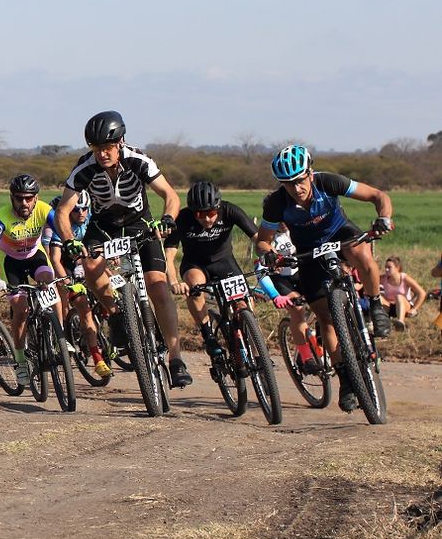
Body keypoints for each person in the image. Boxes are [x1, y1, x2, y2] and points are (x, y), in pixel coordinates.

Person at [54, 111, 191, 388]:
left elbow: (171, 196)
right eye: (96, 149)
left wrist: (166, 220)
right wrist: (69, 239)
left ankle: (176, 360)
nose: (102, 154)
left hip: (140, 225)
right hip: (103, 227)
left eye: (107, 148)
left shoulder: (138, 160)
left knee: (158, 285)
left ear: (120, 142)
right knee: (89, 266)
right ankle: (116, 314)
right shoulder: (84, 167)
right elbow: (63, 211)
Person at [253, 144, 394, 412]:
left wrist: (384, 218)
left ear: (310, 172)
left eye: (299, 180)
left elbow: (378, 195)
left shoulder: (329, 182)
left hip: (340, 234)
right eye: (287, 184)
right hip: (308, 251)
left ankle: (376, 306)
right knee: (326, 318)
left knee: (362, 254)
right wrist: (268, 253)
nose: (296, 188)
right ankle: (345, 379)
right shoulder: (276, 203)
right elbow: (263, 241)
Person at [165, 181, 260, 373]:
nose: (207, 219)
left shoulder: (230, 211)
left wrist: (269, 255)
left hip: (224, 262)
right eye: (200, 214)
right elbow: (169, 254)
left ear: (218, 208)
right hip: (195, 264)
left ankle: (259, 353)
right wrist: (173, 281)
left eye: (211, 213)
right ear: (193, 212)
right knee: (194, 285)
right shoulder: (183, 218)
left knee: (245, 303)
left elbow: (257, 237)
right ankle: (208, 335)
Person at [0, 174, 60, 386]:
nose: (23, 203)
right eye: (18, 198)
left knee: (47, 281)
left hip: (36, 256)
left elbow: (64, 232)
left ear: (36, 198)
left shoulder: (44, 210)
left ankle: (52, 333)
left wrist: (77, 256)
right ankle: (21, 360)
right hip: (11, 263)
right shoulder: (2, 218)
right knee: (21, 309)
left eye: (28, 198)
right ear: (11, 198)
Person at [45, 194, 110, 379]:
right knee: (84, 308)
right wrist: (67, 283)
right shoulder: (61, 226)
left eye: (84, 209)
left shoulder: (91, 220)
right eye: (76, 210)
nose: (81, 213)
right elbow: (55, 260)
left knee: (108, 288)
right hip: (65, 266)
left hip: (83, 262)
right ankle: (97, 359)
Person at [378, 257, 424, 329]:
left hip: (404, 306)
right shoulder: (383, 278)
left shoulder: (404, 278)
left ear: (397, 268)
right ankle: (382, 319)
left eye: (389, 267)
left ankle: (400, 321)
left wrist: (414, 309)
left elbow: (422, 293)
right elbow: (371, 282)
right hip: (389, 306)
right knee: (379, 297)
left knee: (398, 296)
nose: (386, 269)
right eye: (385, 267)